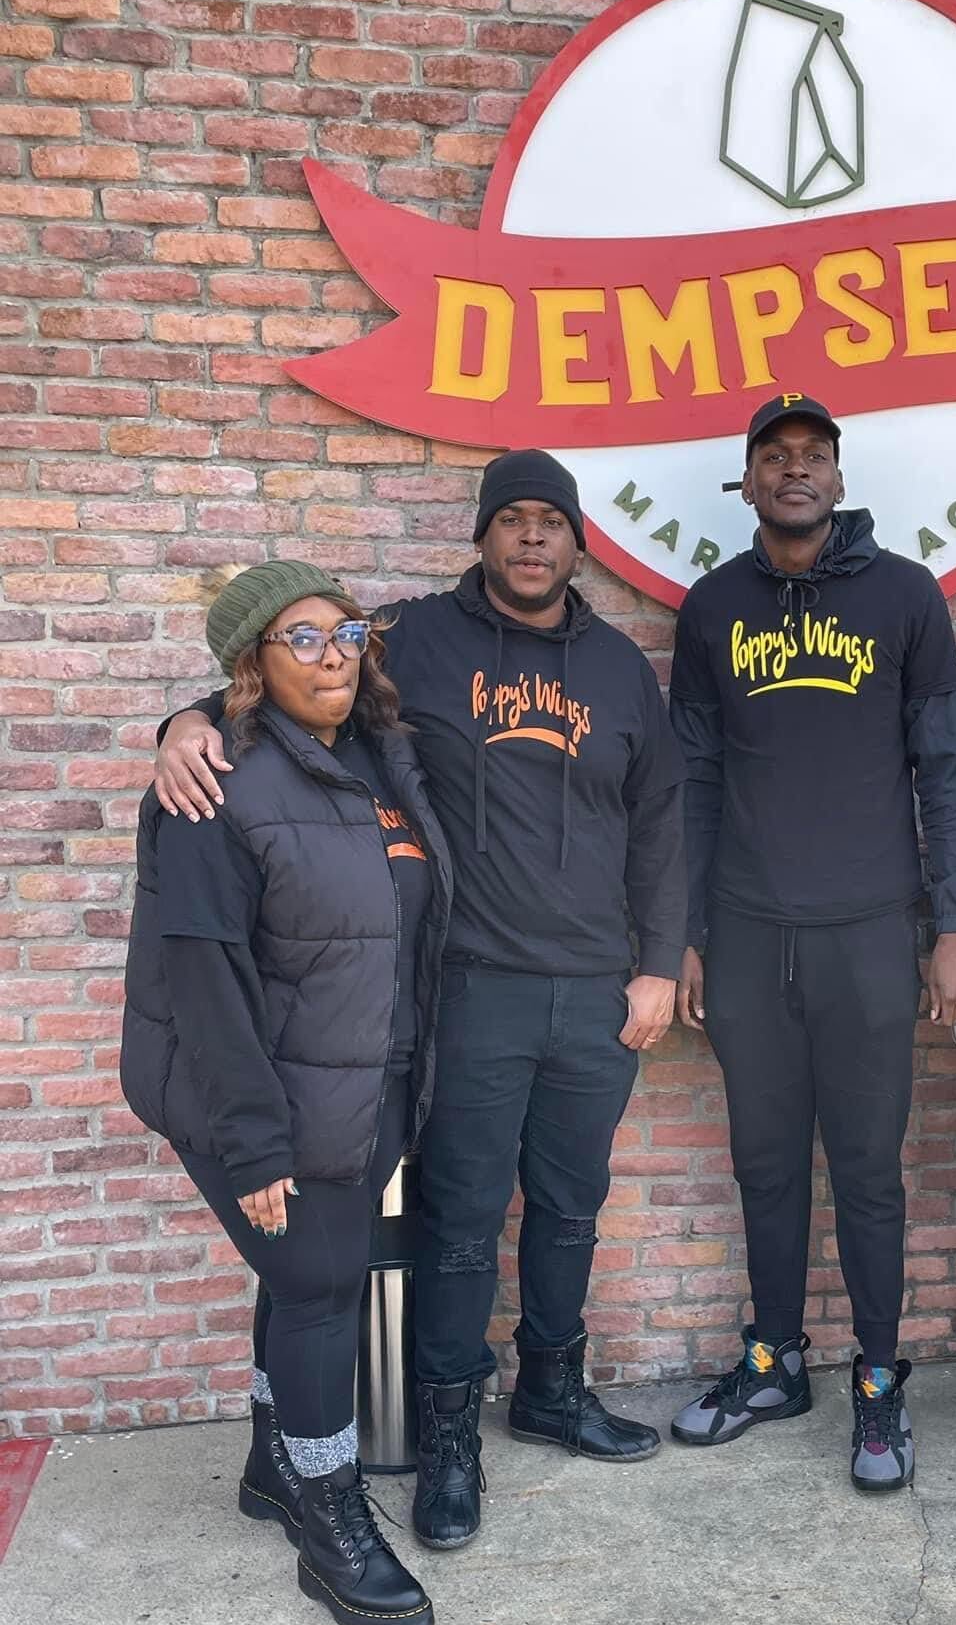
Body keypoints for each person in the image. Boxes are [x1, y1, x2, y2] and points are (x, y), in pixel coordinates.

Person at [153, 453, 687, 1553]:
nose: (533, 538)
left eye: (552, 521)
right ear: (484, 536)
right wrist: (187, 719)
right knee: (460, 1224)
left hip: (597, 992)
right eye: (513, 520)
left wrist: (655, 963)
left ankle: (551, 1385)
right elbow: (295, 664)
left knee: (573, 1205)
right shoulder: (411, 636)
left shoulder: (624, 671)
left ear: (577, 542)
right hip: (472, 990)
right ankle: (450, 1435)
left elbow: (665, 817)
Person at [122, 562, 453, 1625]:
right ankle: (328, 1510)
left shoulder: (372, 757)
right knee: (318, 1285)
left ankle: (273, 1464)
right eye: (301, 638)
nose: (333, 657)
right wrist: (256, 1142)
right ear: (249, 664)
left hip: (361, 1080)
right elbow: (202, 976)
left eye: (348, 634)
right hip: (261, 1093)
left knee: (302, 1273)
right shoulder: (214, 783)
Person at [666, 393, 956, 1493]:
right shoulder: (712, 607)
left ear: (839, 479)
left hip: (866, 930)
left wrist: (954, 926)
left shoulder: (906, 596)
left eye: (814, 456)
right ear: (748, 483)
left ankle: (880, 1379)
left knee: (867, 1170)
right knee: (763, 1161)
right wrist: (688, 932)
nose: (795, 471)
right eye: (775, 457)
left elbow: (942, 768)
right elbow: (693, 778)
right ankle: (772, 1357)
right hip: (750, 933)